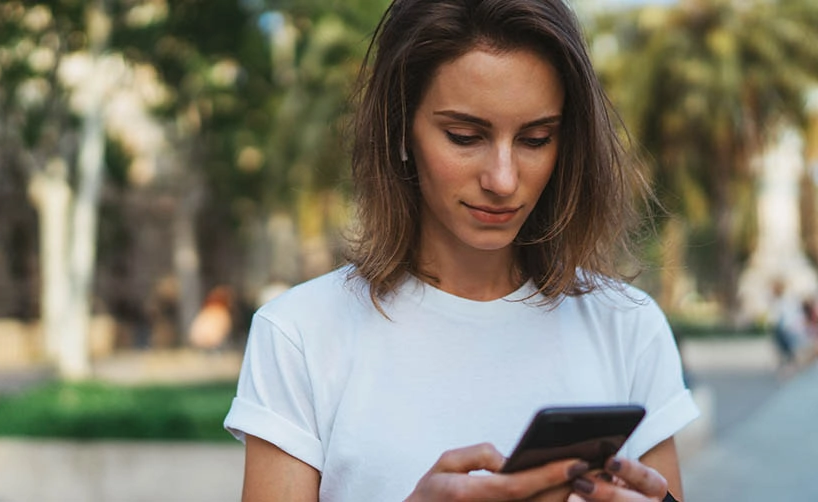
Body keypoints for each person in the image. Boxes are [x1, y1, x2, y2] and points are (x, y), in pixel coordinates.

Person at [224, 1, 699, 500]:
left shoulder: (627, 325)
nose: (503, 179)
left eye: (536, 139)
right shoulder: (301, 334)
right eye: (464, 136)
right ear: (400, 129)